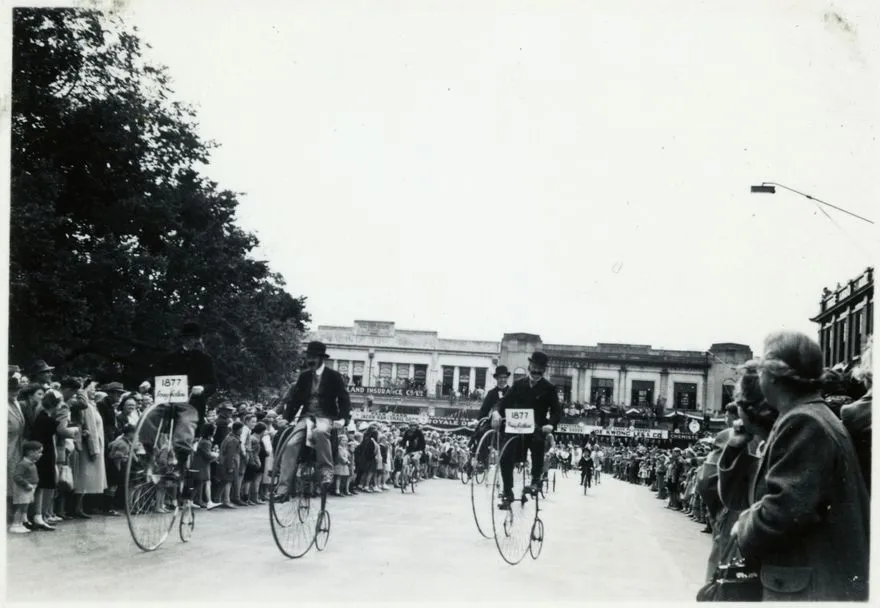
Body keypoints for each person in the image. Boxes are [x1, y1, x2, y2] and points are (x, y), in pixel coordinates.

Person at [731, 331, 869, 601]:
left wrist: (743, 526)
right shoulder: (811, 415)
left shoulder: (803, 422)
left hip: (807, 589)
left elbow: (783, 511)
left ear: (773, 374)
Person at [275, 341, 351, 499]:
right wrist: (286, 418)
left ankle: (326, 471)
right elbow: (295, 400)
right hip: (306, 416)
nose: (310, 360)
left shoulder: (334, 376)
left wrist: (343, 419)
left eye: (313, 357)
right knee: (290, 444)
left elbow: (344, 398)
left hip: (326, 416)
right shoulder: (304, 377)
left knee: (320, 432)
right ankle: (282, 489)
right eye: (308, 356)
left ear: (321, 358)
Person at [491, 351, 562, 509]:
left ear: (544, 370)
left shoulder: (549, 388)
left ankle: (535, 481)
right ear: (529, 366)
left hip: (536, 428)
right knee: (505, 453)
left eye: (540, 369)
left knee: (538, 443)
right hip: (516, 427)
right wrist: (496, 412)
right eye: (534, 367)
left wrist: (550, 424)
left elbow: (557, 411)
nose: (536, 372)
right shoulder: (518, 384)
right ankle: (508, 492)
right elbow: (503, 402)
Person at [149, 321, 217, 457]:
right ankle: (145, 450)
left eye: (194, 338)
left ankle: (180, 461)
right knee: (149, 419)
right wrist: (147, 382)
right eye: (187, 338)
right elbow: (158, 375)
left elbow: (213, 384)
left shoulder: (205, 360)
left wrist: (202, 388)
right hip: (167, 403)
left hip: (191, 405)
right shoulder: (170, 358)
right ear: (183, 339)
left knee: (185, 425)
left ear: (199, 339)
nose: (191, 341)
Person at [9, 440, 42, 534]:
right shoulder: (23, 464)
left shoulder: (31, 463)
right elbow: (16, 476)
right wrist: (26, 484)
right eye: (39, 452)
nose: (41, 454)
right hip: (23, 489)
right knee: (20, 507)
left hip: (29, 489)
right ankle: (15, 525)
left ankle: (20, 524)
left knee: (24, 507)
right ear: (30, 452)